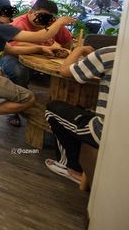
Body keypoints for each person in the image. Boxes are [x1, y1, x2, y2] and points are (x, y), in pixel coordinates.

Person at [0, 0, 75, 132]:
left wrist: (40, 48)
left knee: (17, 85)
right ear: (4, 12)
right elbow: (41, 37)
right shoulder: (1, 28)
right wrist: (59, 22)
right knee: (28, 98)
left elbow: (10, 49)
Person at [44, 46, 116, 184]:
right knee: (80, 111)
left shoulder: (110, 54)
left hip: (106, 132)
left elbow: (64, 71)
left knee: (53, 109)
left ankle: (71, 167)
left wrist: (79, 49)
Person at [0, 0, 73, 127]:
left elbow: (67, 42)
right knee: (19, 72)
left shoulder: (54, 23)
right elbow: (13, 46)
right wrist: (43, 47)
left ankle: (59, 112)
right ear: (30, 12)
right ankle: (14, 109)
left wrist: (63, 51)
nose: (45, 20)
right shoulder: (19, 23)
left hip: (43, 58)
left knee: (65, 74)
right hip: (13, 56)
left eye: (49, 18)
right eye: (42, 16)